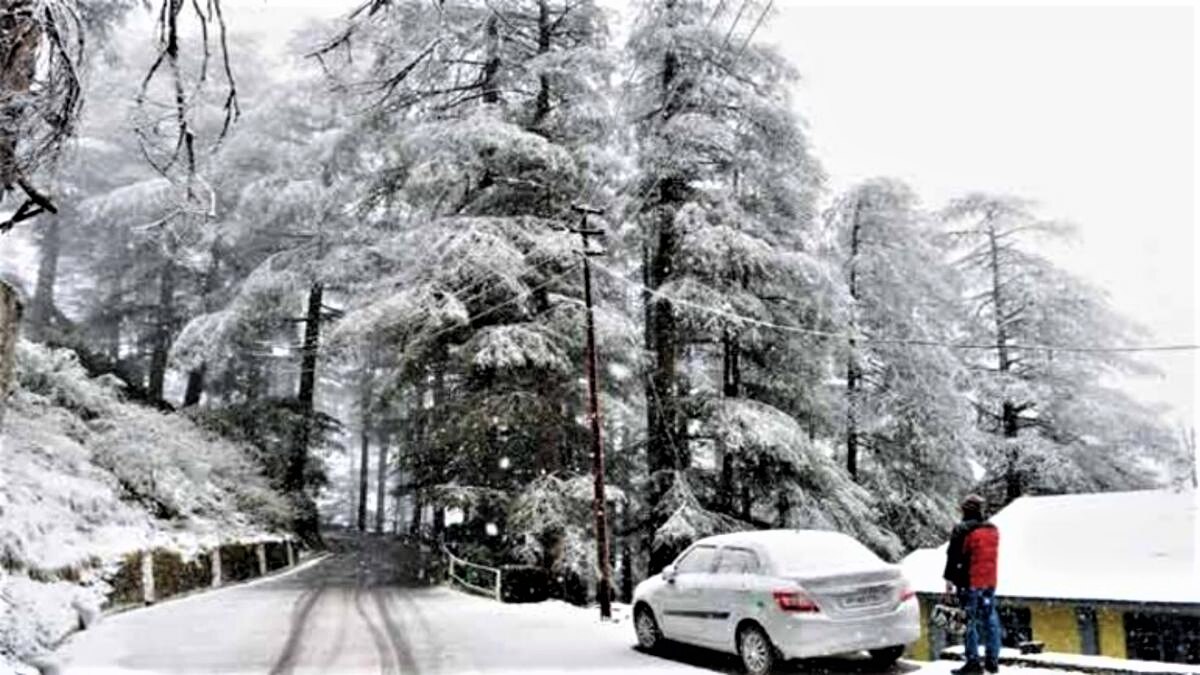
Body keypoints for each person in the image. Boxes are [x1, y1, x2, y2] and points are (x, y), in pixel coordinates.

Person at [943, 494, 1002, 674]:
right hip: (989, 582)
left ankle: (973, 662)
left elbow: (953, 557)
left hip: (969, 582)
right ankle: (992, 660)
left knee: (970, 621)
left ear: (964, 510)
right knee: (990, 619)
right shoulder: (992, 529)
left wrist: (948, 581)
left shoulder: (962, 530)